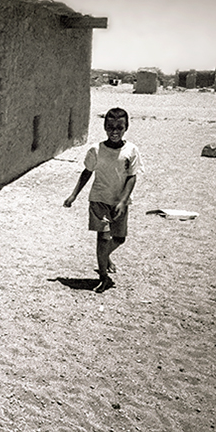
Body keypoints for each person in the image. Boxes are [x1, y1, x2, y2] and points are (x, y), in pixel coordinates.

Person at [63, 107, 143, 294]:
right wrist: (74, 195)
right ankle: (103, 276)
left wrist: (123, 201)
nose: (114, 131)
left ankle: (105, 257)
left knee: (119, 238)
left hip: (119, 202)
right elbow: (87, 173)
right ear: (104, 127)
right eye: (110, 127)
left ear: (126, 128)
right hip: (99, 199)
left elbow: (132, 177)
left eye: (119, 127)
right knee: (103, 237)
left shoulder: (131, 150)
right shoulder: (96, 150)